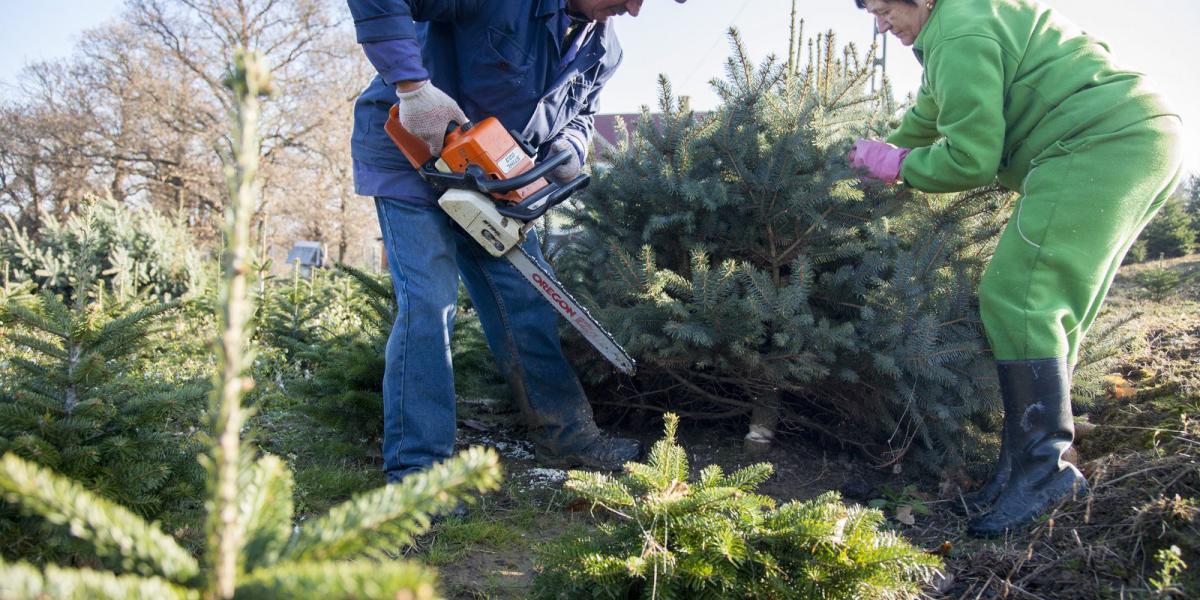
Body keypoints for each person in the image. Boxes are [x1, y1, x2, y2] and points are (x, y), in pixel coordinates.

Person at [849, 0, 1183, 535]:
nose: (881, 25)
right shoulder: (959, 26)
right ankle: (1019, 473)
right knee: (1052, 306)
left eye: (886, 8)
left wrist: (898, 167)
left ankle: (1044, 476)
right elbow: (926, 118)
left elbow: (970, 158)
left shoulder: (958, 34)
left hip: (1096, 140)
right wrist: (873, 151)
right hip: (1138, 132)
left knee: (1019, 294)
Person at [346, 0, 687, 484]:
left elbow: (582, 114)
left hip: (489, 177)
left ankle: (565, 434)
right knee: (429, 303)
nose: (632, 9)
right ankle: (419, 472)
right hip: (410, 153)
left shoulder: (602, 50)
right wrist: (413, 88)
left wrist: (568, 148)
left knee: (529, 295)